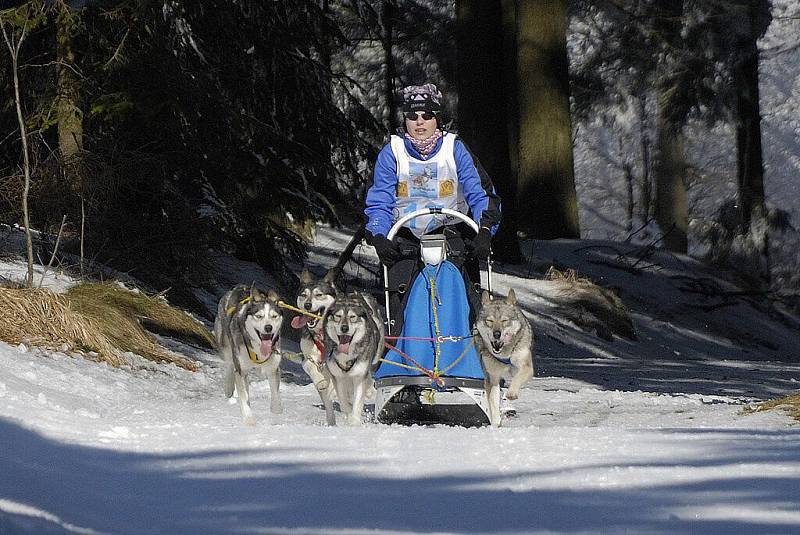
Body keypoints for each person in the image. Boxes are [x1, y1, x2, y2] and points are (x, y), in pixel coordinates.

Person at [364, 83, 501, 335]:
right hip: (405, 233)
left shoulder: (455, 148)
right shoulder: (392, 152)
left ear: (437, 119)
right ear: (404, 120)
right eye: (412, 116)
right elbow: (379, 200)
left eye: (427, 115)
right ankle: (402, 349)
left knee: (464, 293)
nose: (419, 122)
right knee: (400, 299)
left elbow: (480, 192)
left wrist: (484, 230)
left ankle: (470, 344)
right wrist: (379, 235)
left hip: (451, 229)